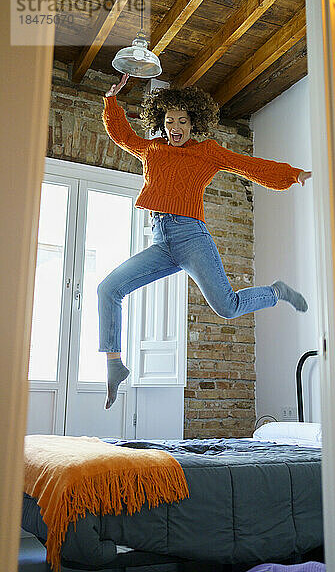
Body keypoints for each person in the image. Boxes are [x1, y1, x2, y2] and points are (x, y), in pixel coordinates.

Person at [98, 73, 312, 409]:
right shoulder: (152, 148)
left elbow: (249, 166)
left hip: (190, 237)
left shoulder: (207, 151)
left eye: (182, 120)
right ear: (162, 123)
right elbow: (123, 136)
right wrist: (111, 101)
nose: (175, 126)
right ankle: (114, 365)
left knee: (227, 307)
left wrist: (293, 174)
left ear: (193, 122)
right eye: (169, 120)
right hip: (160, 240)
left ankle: (276, 292)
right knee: (107, 289)